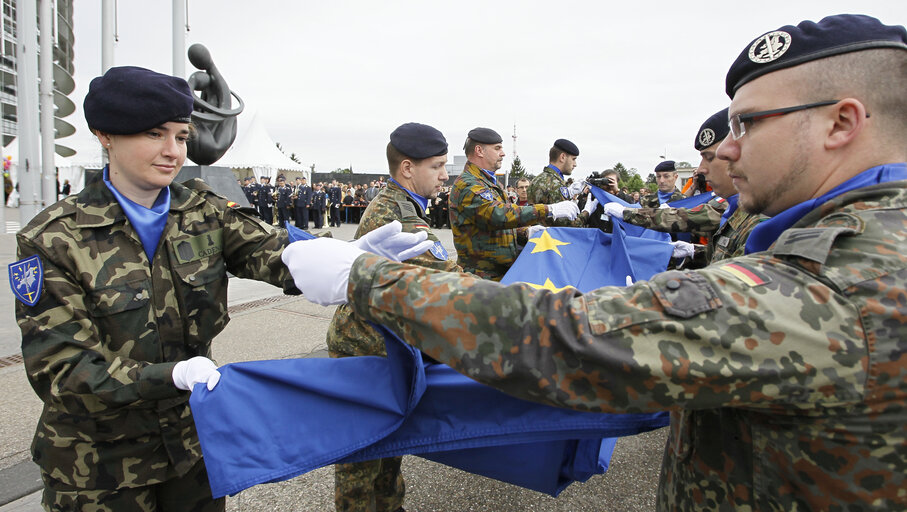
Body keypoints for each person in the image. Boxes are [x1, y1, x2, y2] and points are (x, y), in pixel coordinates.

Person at [282, 14, 907, 511]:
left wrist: (361, 276)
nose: (730, 146)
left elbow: (574, 340)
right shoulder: (845, 240)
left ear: (841, 123)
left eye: (749, 122)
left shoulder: (845, 276)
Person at [10, 66, 296, 512]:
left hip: (191, 451)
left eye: (181, 137)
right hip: (100, 469)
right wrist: (173, 376)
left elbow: (274, 253)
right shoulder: (51, 239)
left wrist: (348, 262)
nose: (172, 152)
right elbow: (63, 371)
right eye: (153, 134)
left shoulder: (203, 212)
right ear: (105, 135)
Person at [327, 123, 459, 512]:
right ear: (406, 168)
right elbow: (447, 280)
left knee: (389, 444)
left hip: (382, 346)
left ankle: (388, 505)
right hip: (365, 350)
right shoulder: (397, 216)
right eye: (436, 166)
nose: (444, 174)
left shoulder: (402, 205)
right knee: (361, 453)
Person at [448, 127, 580, 280]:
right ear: (479, 150)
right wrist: (548, 209)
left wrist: (524, 232)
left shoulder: (487, 182)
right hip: (481, 277)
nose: (503, 153)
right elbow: (497, 215)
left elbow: (493, 227)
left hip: (499, 273)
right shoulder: (468, 184)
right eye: (497, 148)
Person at [601, 109, 738, 249]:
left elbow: (687, 217)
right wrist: (694, 252)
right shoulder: (647, 199)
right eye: (658, 176)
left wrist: (626, 213)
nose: (701, 169)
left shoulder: (687, 200)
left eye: (709, 157)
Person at [527, 139, 595, 227]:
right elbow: (568, 225)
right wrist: (586, 212)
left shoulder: (536, 180)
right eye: (573, 159)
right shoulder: (556, 184)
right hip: (552, 238)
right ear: (562, 157)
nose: (575, 164)